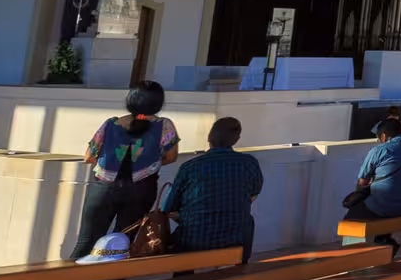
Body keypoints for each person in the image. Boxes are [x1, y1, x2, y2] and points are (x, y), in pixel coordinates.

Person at [68, 81, 179, 264]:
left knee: (86, 242)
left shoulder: (110, 124)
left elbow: (89, 156)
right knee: (123, 244)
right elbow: (171, 156)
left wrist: (110, 167)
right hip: (141, 189)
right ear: (158, 103)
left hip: (103, 188)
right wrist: (149, 165)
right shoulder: (164, 125)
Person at [160, 116, 261, 254]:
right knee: (247, 220)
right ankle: (241, 266)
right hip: (237, 237)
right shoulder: (249, 163)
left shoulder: (189, 167)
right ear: (236, 139)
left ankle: (183, 273)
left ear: (209, 137)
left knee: (183, 228)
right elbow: (254, 193)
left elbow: (168, 208)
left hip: (195, 239)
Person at [342, 116, 401, 251]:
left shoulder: (379, 150)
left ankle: (352, 254)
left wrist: (359, 196)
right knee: (384, 207)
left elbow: (362, 181)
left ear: (383, 136)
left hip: (383, 206)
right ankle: (383, 240)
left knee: (351, 220)